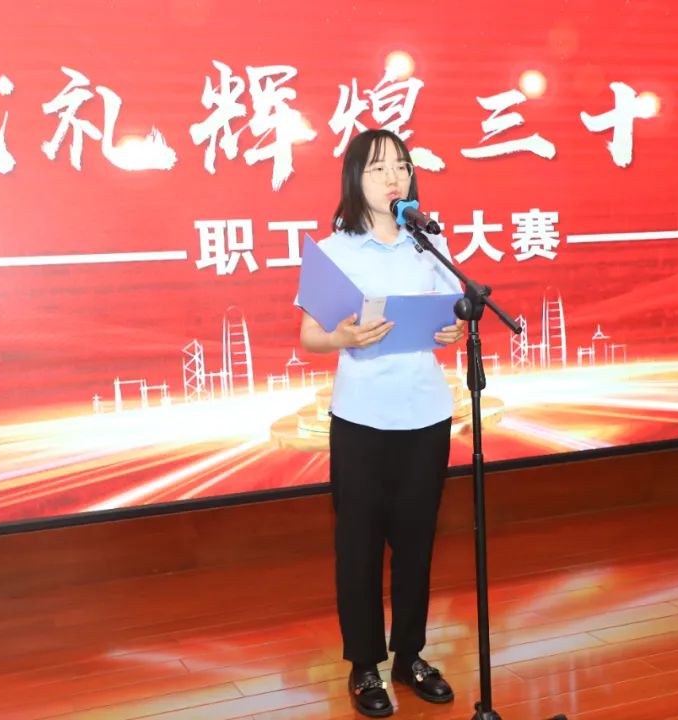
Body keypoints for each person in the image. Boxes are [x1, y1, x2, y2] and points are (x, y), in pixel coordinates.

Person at [297, 128, 464, 717]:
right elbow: (310, 336)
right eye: (378, 168)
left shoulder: (428, 242)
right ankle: (365, 665)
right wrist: (342, 336)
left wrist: (454, 327)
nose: (393, 177)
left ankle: (410, 656)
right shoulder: (334, 250)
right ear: (354, 178)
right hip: (363, 417)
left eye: (401, 166)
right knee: (360, 545)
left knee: (416, 542)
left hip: (426, 412)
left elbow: (455, 309)